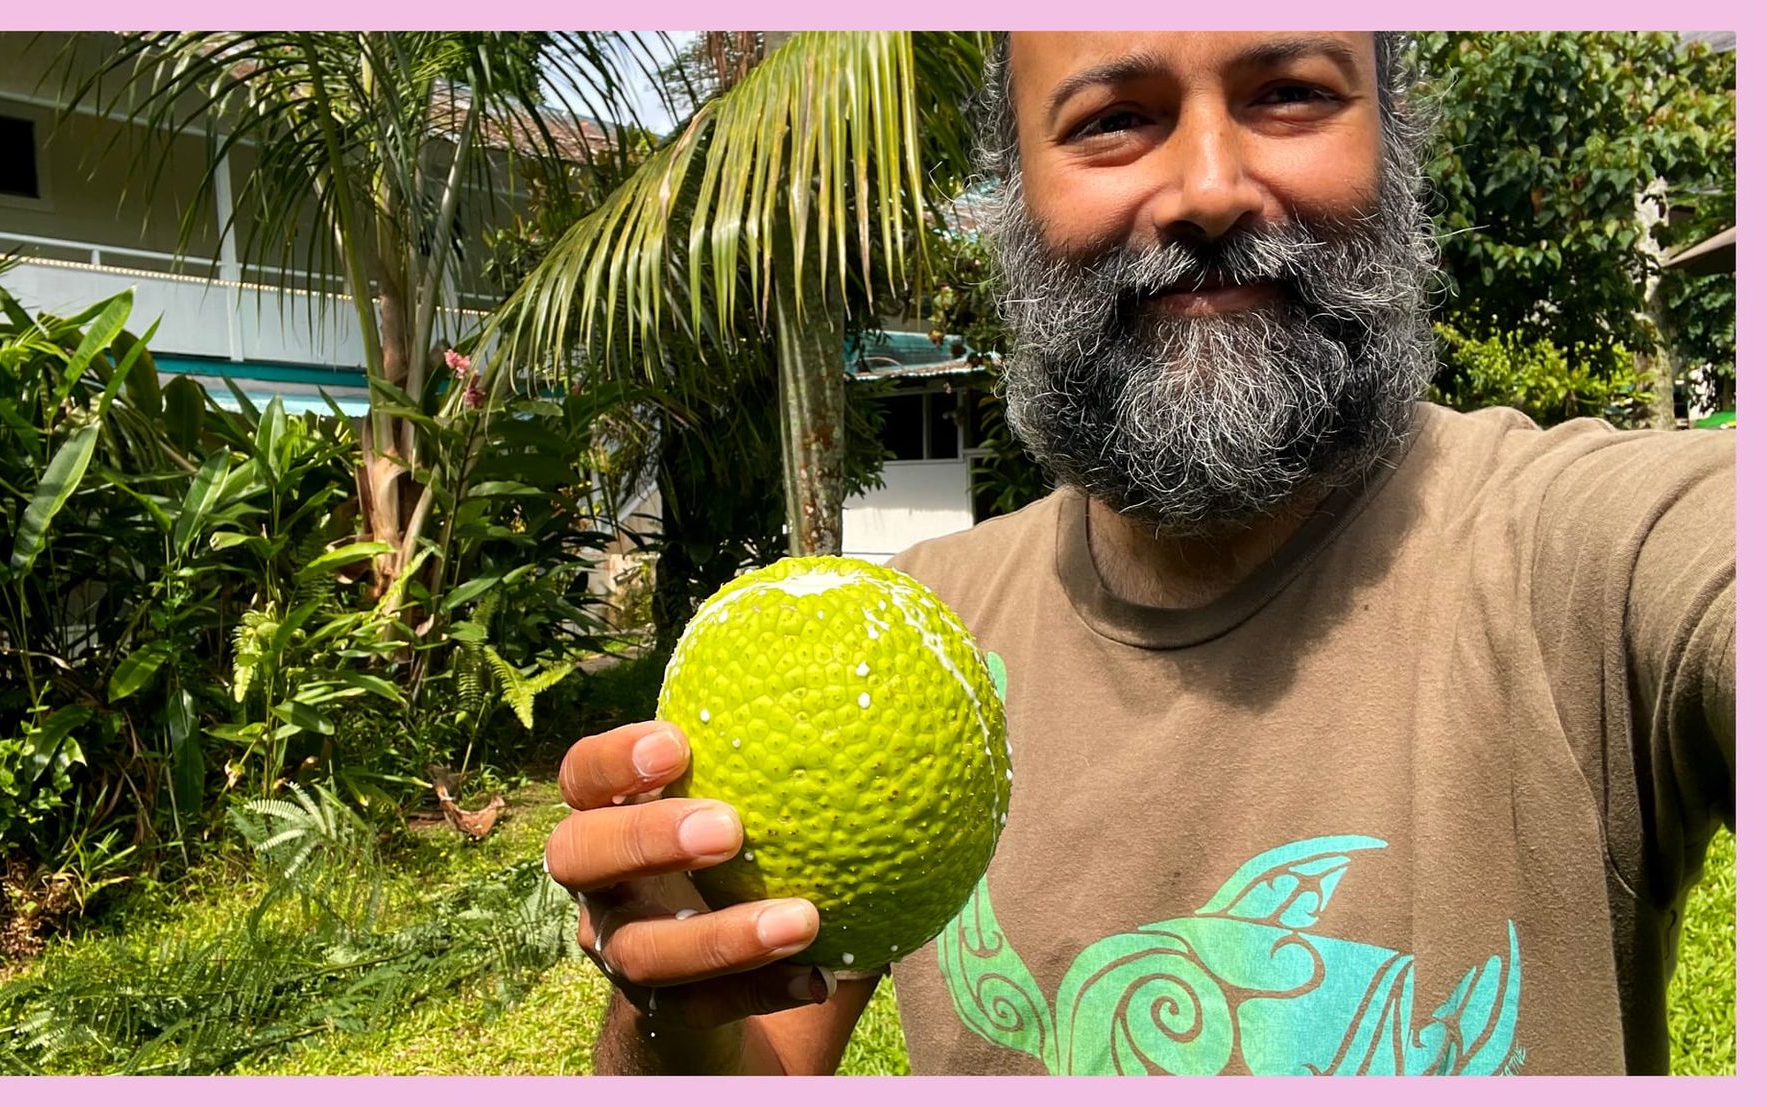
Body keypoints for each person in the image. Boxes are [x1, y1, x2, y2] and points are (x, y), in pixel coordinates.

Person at [543, 30, 1735, 1075]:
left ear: (1394, 136)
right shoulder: (912, 644)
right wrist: (669, 1008)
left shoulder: (1582, 552)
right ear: (1016, 192)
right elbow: (751, 1055)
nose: (1208, 191)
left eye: (1290, 94)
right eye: (1113, 119)